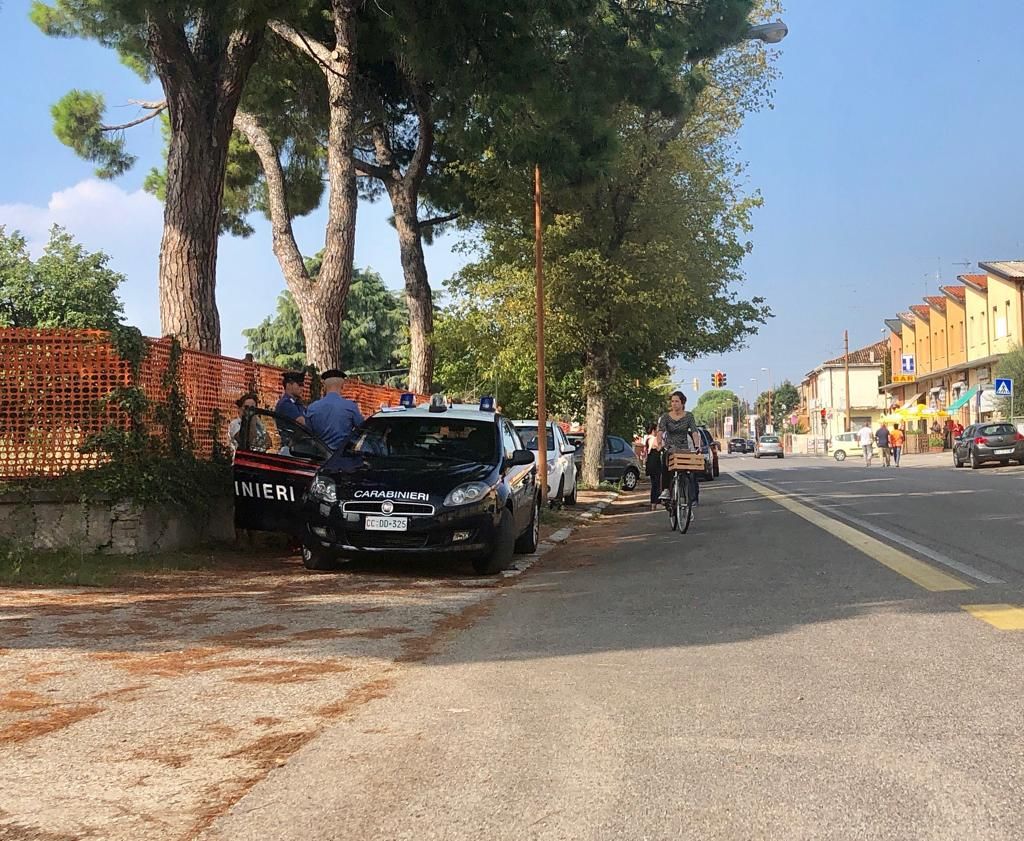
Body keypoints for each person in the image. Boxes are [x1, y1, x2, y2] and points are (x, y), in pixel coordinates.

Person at [657, 391, 702, 508]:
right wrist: (659, 444)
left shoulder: (689, 416)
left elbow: (694, 431)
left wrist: (697, 446)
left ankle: (691, 497)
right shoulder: (665, 417)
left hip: (683, 448)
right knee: (665, 463)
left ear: (682, 403)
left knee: (690, 472)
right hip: (670, 447)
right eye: (672, 401)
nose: (674, 404)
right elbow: (660, 431)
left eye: (677, 401)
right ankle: (666, 490)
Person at [305, 369, 365, 450]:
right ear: (343, 386)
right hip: (343, 454)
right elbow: (362, 429)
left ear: (324, 386)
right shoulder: (351, 406)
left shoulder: (312, 408)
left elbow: (308, 433)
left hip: (319, 454)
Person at [274, 371, 307, 451]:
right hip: (292, 448)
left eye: (302, 385)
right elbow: (302, 422)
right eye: (299, 385)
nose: (302, 388)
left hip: (299, 446)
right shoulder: (285, 404)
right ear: (289, 385)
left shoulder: (297, 403)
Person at [643, 423, 662, 512]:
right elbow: (659, 448)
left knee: (654, 484)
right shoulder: (654, 439)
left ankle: (653, 504)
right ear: (653, 430)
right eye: (657, 429)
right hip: (655, 463)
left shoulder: (647, 438)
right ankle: (656, 503)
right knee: (656, 484)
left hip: (650, 463)